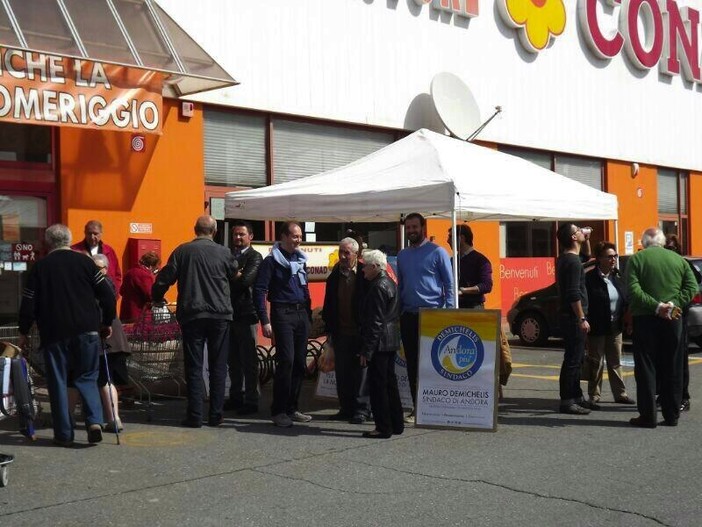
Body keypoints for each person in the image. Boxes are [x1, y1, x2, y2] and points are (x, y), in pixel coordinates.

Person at [18, 224, 116, 446]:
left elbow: (29, 303)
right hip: (87, 329)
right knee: (87, 376)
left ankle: (64, 433)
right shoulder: (85, 263)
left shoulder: (40, 267)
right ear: (69, 241)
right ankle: (94, 421)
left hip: (54, 332)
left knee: (58, 381)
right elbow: (108, 296)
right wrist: (106, 322)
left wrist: (23, 331)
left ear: (47, 243)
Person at [152, 215, 238, 428]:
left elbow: (165, 278)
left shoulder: (182, 251)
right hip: (220, 314)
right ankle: (216, 414)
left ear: (194, 229)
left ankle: (195, 415)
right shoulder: (224, 252)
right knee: (218, 366)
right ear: (215, 231)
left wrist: (156, 296)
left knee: (194, 365)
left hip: (193, 314)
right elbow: (235, 274)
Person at [627, 227, 697, 428]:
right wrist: (673, 304)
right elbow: (692, 287)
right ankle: (672, 414)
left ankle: (648, 416)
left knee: (646, 367)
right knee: (673, 365)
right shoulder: (679, 260)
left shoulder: (636, 260)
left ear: (644, 242)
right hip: (673, 318)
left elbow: (633, 289)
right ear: (663, 241)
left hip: (646, 319)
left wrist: (657, 306)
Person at [254, 221, 313, 428]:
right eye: (295, 236)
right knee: (286, 361)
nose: (299, 240)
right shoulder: (271, 261)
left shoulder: (299, 258)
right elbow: (260, 290)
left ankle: (292, 408)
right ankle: (278, 410)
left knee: (299, 363)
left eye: (300, 236)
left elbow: (304, 286)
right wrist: (265, 320)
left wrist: (308, 314)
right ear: (284, 237)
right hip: (282, 313)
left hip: (300, 313)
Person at [397, 212, 454, 422]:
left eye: (415, 227)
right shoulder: (402, 255)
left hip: (432, 315)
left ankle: (436, 407)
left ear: (423, 228)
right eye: (408, 227)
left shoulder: (438, 252)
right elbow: (401, 286)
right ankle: (417, 407)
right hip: (409, 316)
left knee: (433, 364)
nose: (411, 231)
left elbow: (449, 285)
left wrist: (448, 312)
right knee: (412, 364)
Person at [322, 237, 370, 423]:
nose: (342, 256)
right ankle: (346, 408)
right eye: (340, 251)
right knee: (342, 373)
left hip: (359, 332)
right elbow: (329, 302)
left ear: (356, 255)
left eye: (346, 253)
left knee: (361, 373)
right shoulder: (335, 273)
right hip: (340, 332)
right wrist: (329, 328)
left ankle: (362, 410)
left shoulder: (364, 274)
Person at [358, 250, 404, 438]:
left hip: (379, 342)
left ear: (375, 266)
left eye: (365, 266)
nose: (363, 271)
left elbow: (376, 322)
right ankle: (396, 423)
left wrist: (366, 350)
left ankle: (383, 427)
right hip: (391, 340)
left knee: (378, 386)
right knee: (390, 383)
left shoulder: (378, 286)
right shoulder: (391, 283)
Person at [584, 242, 634, 409]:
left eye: (615, 256)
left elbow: (625, 299)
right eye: (609, 256)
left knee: (615, 362)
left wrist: (627, 319)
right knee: (596, 362)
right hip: (597, 326)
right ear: (599, 259)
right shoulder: (590, 279)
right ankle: (594, 395)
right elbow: (586, 302)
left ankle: (620, 394)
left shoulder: (617, 277)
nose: (613, 259)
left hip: (615, 326)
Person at [224, 220, 263, 415]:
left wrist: (232, 277)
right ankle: (235, 396)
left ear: (250, 237)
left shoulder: (255, 256)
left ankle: (251, 399)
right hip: (229, 313)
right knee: (233, 360)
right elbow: (220, 280)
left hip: (247, 313)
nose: (238, 238)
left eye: (241, 234)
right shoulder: (228, 255)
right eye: (235, 235)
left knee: (249, 360)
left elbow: (246, 280)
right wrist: (235, 275)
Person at [92, 254, 131, 432]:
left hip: (106, 337)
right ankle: (111, 417)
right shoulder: (107, 283)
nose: (96, 271)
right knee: (107, 380)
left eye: (99, 268)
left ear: (106, 269)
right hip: (113, 339)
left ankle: (111, 418)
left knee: (103, 380)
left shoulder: (101, 285)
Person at [555, 223, 591, 415]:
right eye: (578, 231)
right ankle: (567, 400)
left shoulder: (569, 259)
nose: (582, 232)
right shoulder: (572, 262)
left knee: (576, 358)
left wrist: (588, 239)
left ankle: (576, 396)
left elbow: (587, 258)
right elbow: (573, 293)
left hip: (569, 317)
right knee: (573, 359)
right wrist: (581, 317)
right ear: (573, 238)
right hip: (572, 318)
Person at [71, 220, 122, 295]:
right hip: (83, 295)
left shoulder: (109, 251)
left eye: (95, 233)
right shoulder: (75, 250)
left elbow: (117, 274)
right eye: (89, 233)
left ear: (101, 233)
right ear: (84, 233)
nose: (92, 237)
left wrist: (114, 293)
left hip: (105, 296)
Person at [447, 224, 493, 309]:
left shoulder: (481, 260)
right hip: (455, 306)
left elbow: (487, 286)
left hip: (473, 308)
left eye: (450, 237)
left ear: (461, 238)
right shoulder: (452, 260)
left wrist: (463, 291)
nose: (447, 241)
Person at [119, 251, 160, 322]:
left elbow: (121, 291)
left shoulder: (129, 272)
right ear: (151, 266)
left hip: (125, 313)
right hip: (139, 315)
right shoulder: (145, 275)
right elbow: (150, 295)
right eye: (155, 268)